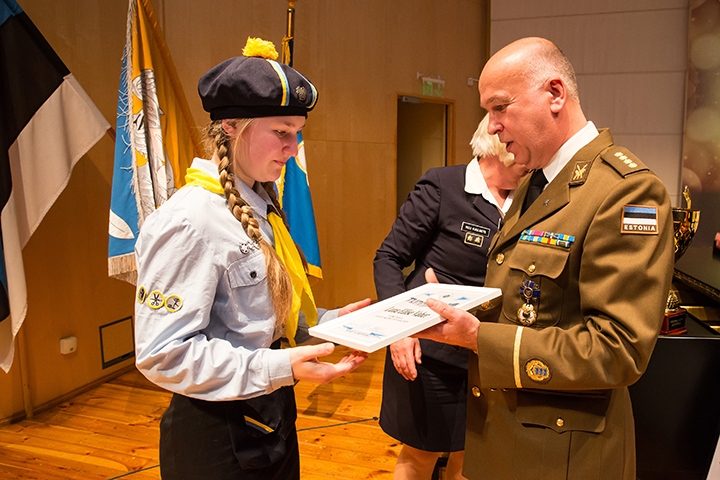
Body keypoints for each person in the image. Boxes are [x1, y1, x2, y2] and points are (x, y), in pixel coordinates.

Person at [415, 37, 675, 480]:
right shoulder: (537, 182)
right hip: (508, 437)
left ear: (555, 94)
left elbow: (618, 350)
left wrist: (479, 338)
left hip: (563, 456)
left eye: (500, 107)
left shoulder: (625, 191)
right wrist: (461, 307)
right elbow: (529, 303)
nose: (491, 126)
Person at [133, 37, 370, 480]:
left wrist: (330, 323)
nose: (293, 148)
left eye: (297, 133)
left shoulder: (261, 203)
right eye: (281, 132)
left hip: (271, 412)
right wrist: (280, 366)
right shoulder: (189, 220)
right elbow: (162, 354)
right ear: (231, 126)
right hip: (216, 436)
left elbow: (255, 320)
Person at [373, 113, 527, 479]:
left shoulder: (531, 198)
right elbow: (389, 258)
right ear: (499, 149)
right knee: (420, 456)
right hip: (432, 354)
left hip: (490, 352)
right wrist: (400, 331)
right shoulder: (443, 186)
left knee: (471, 458)